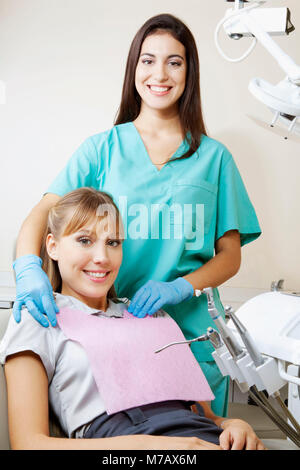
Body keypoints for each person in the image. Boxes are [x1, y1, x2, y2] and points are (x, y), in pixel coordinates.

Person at [12, 14, 261, 418]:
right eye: (148, 60)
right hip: (114, 339)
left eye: (174, 62)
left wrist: (181, 287)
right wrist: (26, 267)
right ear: (134, 69)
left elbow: (230, 256)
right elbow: (44, 211)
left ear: (189, 72)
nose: (159, 73)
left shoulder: (215, 159)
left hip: (191, 341)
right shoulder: (102, 149)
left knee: (200, 438)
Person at [1, 188, 265, 450]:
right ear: (53, 246)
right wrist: (155, 448)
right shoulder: (38, 315)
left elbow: (206, 416)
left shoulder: (152, 314)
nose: (102, 258)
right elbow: (28, 444)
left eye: (113, 242)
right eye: (84, 240)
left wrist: (231, 425)